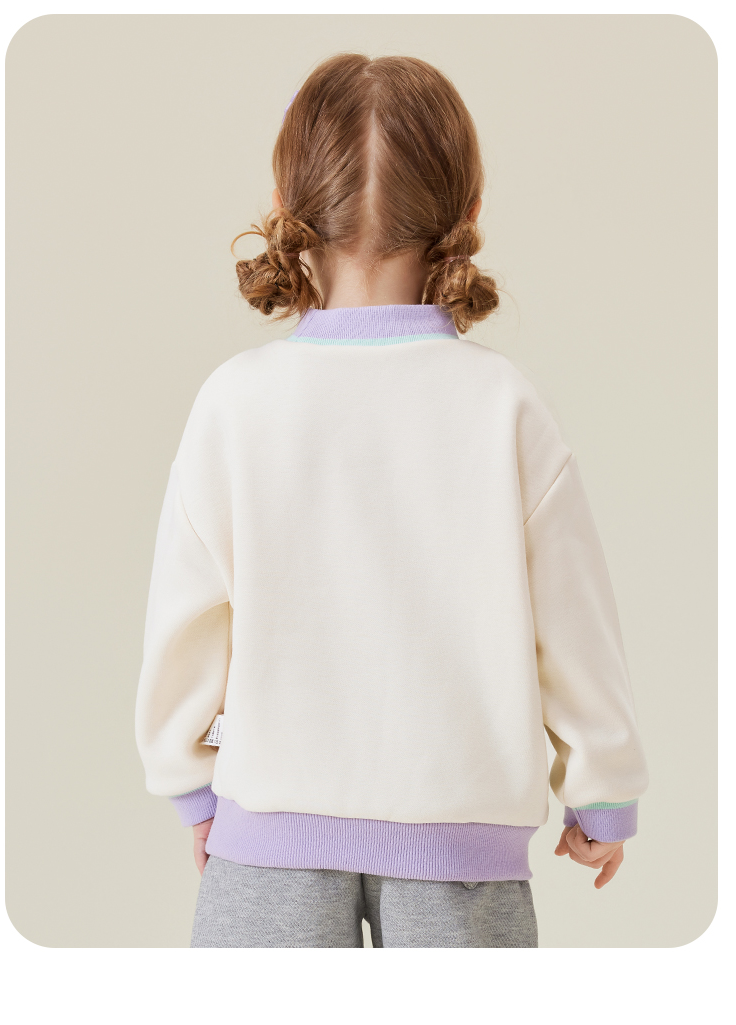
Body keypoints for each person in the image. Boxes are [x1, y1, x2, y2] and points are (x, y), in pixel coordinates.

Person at [135, 53, 648, 949]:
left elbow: (185, 618)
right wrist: (601, 790)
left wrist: (187, 779)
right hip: (461, 850)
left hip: (269, 841)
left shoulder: (235, 402)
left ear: (290, 204)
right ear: (468, 213)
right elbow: (574, 620)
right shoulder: (506, 405)